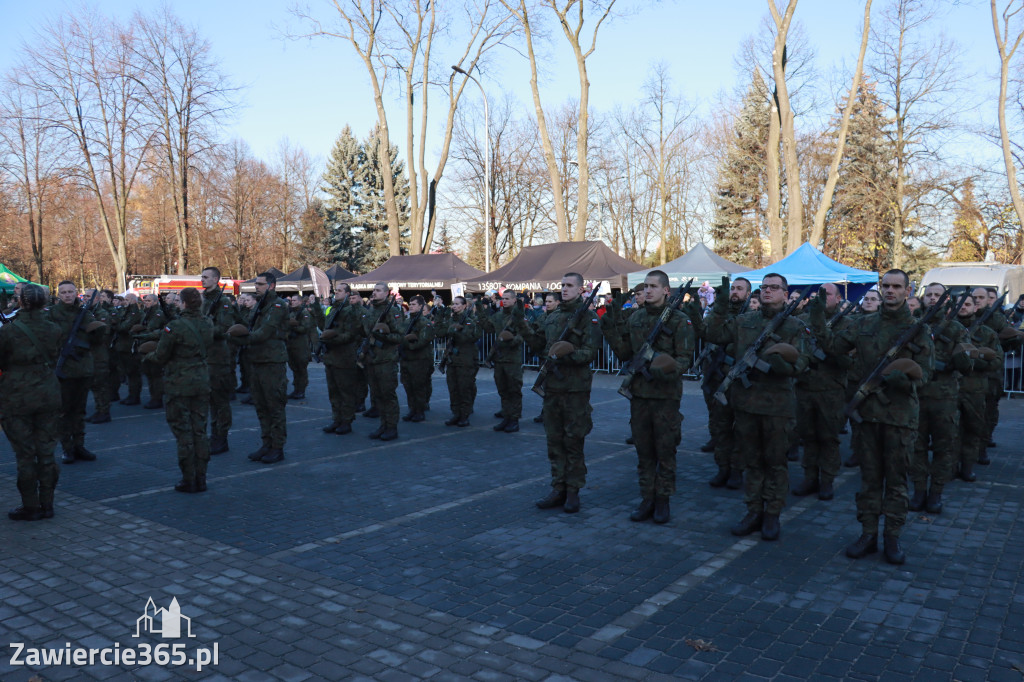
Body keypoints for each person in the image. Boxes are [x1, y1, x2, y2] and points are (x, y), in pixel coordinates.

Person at [810, 269, 934, 565]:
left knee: (895, 481)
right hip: (866, 416)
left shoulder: (918, 329)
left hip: (900, 417)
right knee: (868, 479)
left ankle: (892, 537)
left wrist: (906, 381)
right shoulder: (863, 324)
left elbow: (926, 374)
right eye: (886, 286)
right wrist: (817, 316)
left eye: (896, 286)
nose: (890, 291)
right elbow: (832, 345)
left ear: (907, 291)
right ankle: (867, 533)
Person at [705, 273, 809, 541]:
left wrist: (778, 361)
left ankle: (772, 512)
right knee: (752, 461)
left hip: (778, 407)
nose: (767, 291)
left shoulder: (795, 326)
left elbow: (801, 366)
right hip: (747, 405)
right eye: (764, 287)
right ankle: (753, 510)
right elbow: (713, 333)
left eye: (774, 288)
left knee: (775, 463)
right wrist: (722, 303)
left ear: (786, 294)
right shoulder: (744, 321)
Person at [602, 270, 694, 523]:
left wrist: (660, 364)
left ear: (666, 290)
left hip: (665, 397)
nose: (649, 290)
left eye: (654, 286)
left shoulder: (679, 320)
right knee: (644, 451)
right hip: (640, 396)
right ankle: (647, 498)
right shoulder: (635, 318)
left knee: (665, 450)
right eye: (646, 286)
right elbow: (624, 354)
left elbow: (685, 361)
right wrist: (609, 330)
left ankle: (662, 500)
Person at [518, 273, 601, 514]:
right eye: (562, 285)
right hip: (553, 388)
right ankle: (558, 487)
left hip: (575, 389)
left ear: (581, 289)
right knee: (554, 441)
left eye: (569, 286)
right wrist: (521, 325)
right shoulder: (552, 317)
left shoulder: (589, 318)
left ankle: (573, 490)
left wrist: (566, 353)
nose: (564, 289)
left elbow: (590, 353)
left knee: (573, 441)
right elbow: (537, 345)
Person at [0, 284, 62, 520]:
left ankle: (31, 505)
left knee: (25, 455)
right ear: (44, 303)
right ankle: (48, 504)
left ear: (21, 302)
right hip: (48, 393)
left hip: (16, 396)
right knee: (47, 453)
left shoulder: (8, 331)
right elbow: (54, 356)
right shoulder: (54, 329)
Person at [144, 288, 214, 492]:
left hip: (179, 384)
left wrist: (146, 355)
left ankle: (188, 478)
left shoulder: (174, 326)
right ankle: (201, 478)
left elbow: (161, 356)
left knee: (184, 433)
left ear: (183, 303)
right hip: (201, 380)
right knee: (200, 431)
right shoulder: (208, 322)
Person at [793, 283, 852, 501]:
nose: (823, 298)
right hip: (805, 387)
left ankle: (827, 479)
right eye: (819, 294)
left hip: (831, 390)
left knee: (828, 438)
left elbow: (848, 359)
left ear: (838, 299)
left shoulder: (847, 323)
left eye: (828, 295)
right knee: (808, 436)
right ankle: (809, 477)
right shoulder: (803, 321)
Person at [229, 272, 290, 463]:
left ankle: (277, 447)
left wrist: (241, 338)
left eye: (261, 284)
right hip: (256, 360)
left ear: (271, 286)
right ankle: (266, 444)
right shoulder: (260, 305)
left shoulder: (277, 305)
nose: (257, 287)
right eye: (256, 284)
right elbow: (249, 325)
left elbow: (264, 332)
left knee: (274, 407)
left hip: (272, 362)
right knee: (261, 407)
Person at [701, 277, 750, 490]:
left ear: (748, 294)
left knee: (740, 429)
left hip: (741, 381)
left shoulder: (752, 316)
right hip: (719, 379)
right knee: (721, 427)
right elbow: (709, 333)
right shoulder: (719, 313)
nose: (735, 292)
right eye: (733, 288)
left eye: (740, 289)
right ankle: (723, 468)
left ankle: (738, 469)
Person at [49, 281, 106, 464]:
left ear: (76, 293)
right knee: (64, 412)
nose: (67, 295)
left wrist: (99, 331)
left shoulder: (85, 313)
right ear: (59, 295)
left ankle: (79, 445)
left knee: (79, 411)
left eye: (70, 292)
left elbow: (96, 341)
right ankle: (67, 448)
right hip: (63, 369)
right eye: (63, 292)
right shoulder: (52, 314)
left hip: (82, 368)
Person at [956, 295, 999, 484]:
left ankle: (967, 467)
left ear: (975, 307)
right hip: (949, 390)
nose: (963, 307)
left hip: (974, 390)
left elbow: (997, 361)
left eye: (967, 304)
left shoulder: (987, 333)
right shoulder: (947, 330)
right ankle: (949, 467)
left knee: (973, 430)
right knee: (950, 432)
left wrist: (974, 361)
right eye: (959, 304)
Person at [201, 267, 241, 455]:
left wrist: (202, 330)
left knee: (220, 401)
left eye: (206, 277)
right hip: (205, 356)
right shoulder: (203, 300)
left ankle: (221, 437)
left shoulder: (223, 302)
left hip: (218, 357)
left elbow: (224, 328)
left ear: (216, 279)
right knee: (210, 401)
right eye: (202, 277)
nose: (202, 280)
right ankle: (213, 435)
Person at [358, 282, 404, 440]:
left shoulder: (393, 311)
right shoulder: (371, 310)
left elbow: (399, 336)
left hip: (386, 360)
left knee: (387, 395)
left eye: (378, 291)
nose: (374, 293)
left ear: (386, 293)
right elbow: (365, 331)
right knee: (377, 395)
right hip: (372, 359)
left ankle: (391, 427)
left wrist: (382, 336)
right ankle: (383, 425)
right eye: (374, 290)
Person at [480, 290, 527, 433]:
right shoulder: (498, 316)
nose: (504, 301)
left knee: (514, 390)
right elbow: (487, 328)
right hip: (499, 358)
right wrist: (481, 312)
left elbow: (523, 335)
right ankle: (506, 417)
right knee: (503, 390)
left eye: (507, 299)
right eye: (503, 298)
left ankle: (514, 420)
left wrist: (510, 340)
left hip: (512, 359)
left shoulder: (519, 316)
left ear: (514, 300)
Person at [320, 283, 362, 434]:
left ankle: (346, 420)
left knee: (346, 391)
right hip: (331, 356)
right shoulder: (333, 310)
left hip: (344, 356)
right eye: (335, 290)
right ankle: (336, 419)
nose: (336, 293)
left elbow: (351, 334)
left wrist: (331, 339)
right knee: (333, 391)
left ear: (347, 294)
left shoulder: (350, 311)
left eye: (339, 291)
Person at [441, 296, 481, 427]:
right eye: (453, 304)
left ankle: (464, 415)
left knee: (464, 388)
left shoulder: (469, 321)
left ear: (464, 306)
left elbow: (471, 338)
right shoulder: (451, 319)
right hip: (452, 360)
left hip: (465, 360)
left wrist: (459, 331)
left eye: (458, 304)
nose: (454, 306)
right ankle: (456, 413)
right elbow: (442, 332)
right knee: (453, 388)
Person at [400, 295, 435, 423]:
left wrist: (406, 343)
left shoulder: (424, 323)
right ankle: (412, 409)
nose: (411, 306)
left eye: (414, 304)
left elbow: (422, 341)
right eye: (410, 304)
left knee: (418, 386)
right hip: (406, 359)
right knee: (408, 386)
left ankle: (420, 411)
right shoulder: (406, 321)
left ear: (421, 306)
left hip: (419, 360)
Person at [86, 289, 115, 424]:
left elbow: (104, 334)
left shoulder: (101, 313)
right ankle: (99, 410)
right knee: (95, 384)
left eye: (87, 296)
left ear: (96, 299)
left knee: (101, 384)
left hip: (99, 354)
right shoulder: (87, 312)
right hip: (90, 354)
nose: (85, 298)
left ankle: (104, 411)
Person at [136, 294, 168, 409]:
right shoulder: (146, 312)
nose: (146, 302)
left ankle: (157, 398)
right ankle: (153, 396)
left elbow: (152, 327)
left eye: (149, 301)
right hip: (145, 345)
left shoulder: (158, 313)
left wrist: (142, 331)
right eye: (145, 301)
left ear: (155, 302)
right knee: (149, 373)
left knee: (156, 374)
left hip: (154, 345)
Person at [115, 294, 145, 405]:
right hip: (123, 345)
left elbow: (123, 327)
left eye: (127, 299)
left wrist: (117, 326)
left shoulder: (135, 313)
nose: (124, 302)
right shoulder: (125, 311)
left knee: (133, 373)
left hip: (130, 346)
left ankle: (134, 396)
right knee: (129, 373)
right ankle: (131, 395)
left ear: (133, 300)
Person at [285, 293, 313, 400]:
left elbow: (305, 328)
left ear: (301, 302)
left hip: (301, 345)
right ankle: (296, 389)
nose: (292, 302)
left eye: (295, 300)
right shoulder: (291, 313)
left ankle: (301, 390)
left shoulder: (304, 313)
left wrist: (294, 325)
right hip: (291, 344)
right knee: (294, 368)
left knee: (301, 369)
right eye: (291, 300)